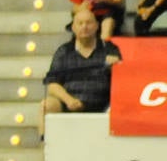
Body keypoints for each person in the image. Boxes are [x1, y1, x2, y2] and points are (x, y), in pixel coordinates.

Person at [41, 8, 120, 137]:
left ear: (96, 26)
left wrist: (116, 66)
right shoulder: (63, 51)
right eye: (80, 23)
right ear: (73, 27)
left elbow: (123, 79)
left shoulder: (110, 48)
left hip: (103, 105)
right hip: (70, 103)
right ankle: (46, 148)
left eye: (89, 23)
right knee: (46, 105)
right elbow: (52, 84)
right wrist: (69, 100)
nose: (85, 27)